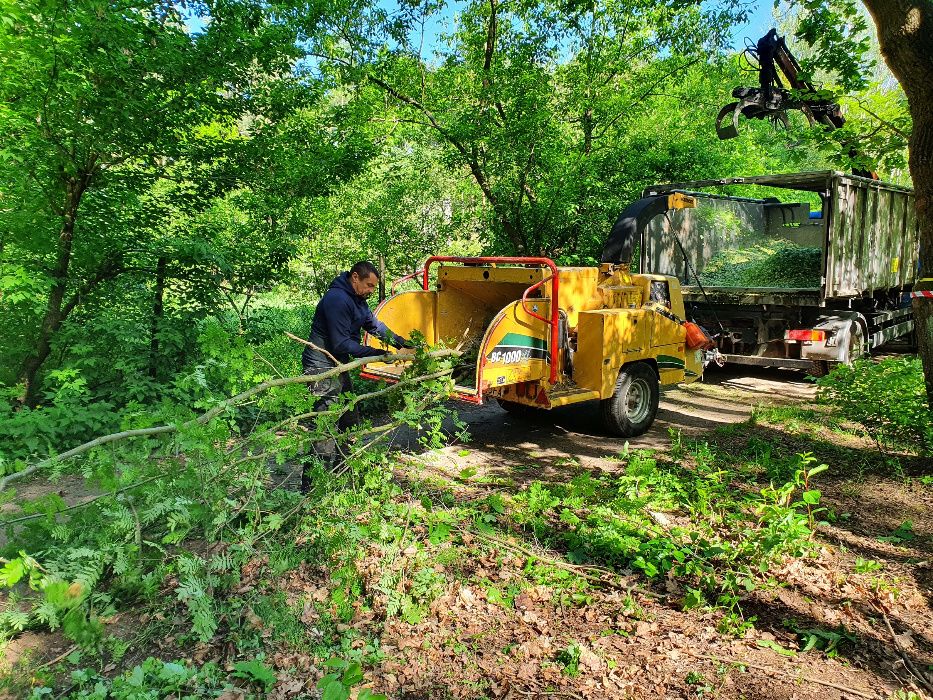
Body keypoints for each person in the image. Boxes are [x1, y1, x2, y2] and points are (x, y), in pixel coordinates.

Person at [300, 261, 413, 490]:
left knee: (350, 419)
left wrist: (403, 344)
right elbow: (341, 344)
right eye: (368, 285)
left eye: (374, 286)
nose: (371, 290)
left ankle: (342, 477)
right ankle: (311, 489)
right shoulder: (337, 299)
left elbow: (375, 326)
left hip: (337, 364)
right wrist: (379, 354)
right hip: (321, 365)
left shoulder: (359, 301)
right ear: (355, 278)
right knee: (325, 427)